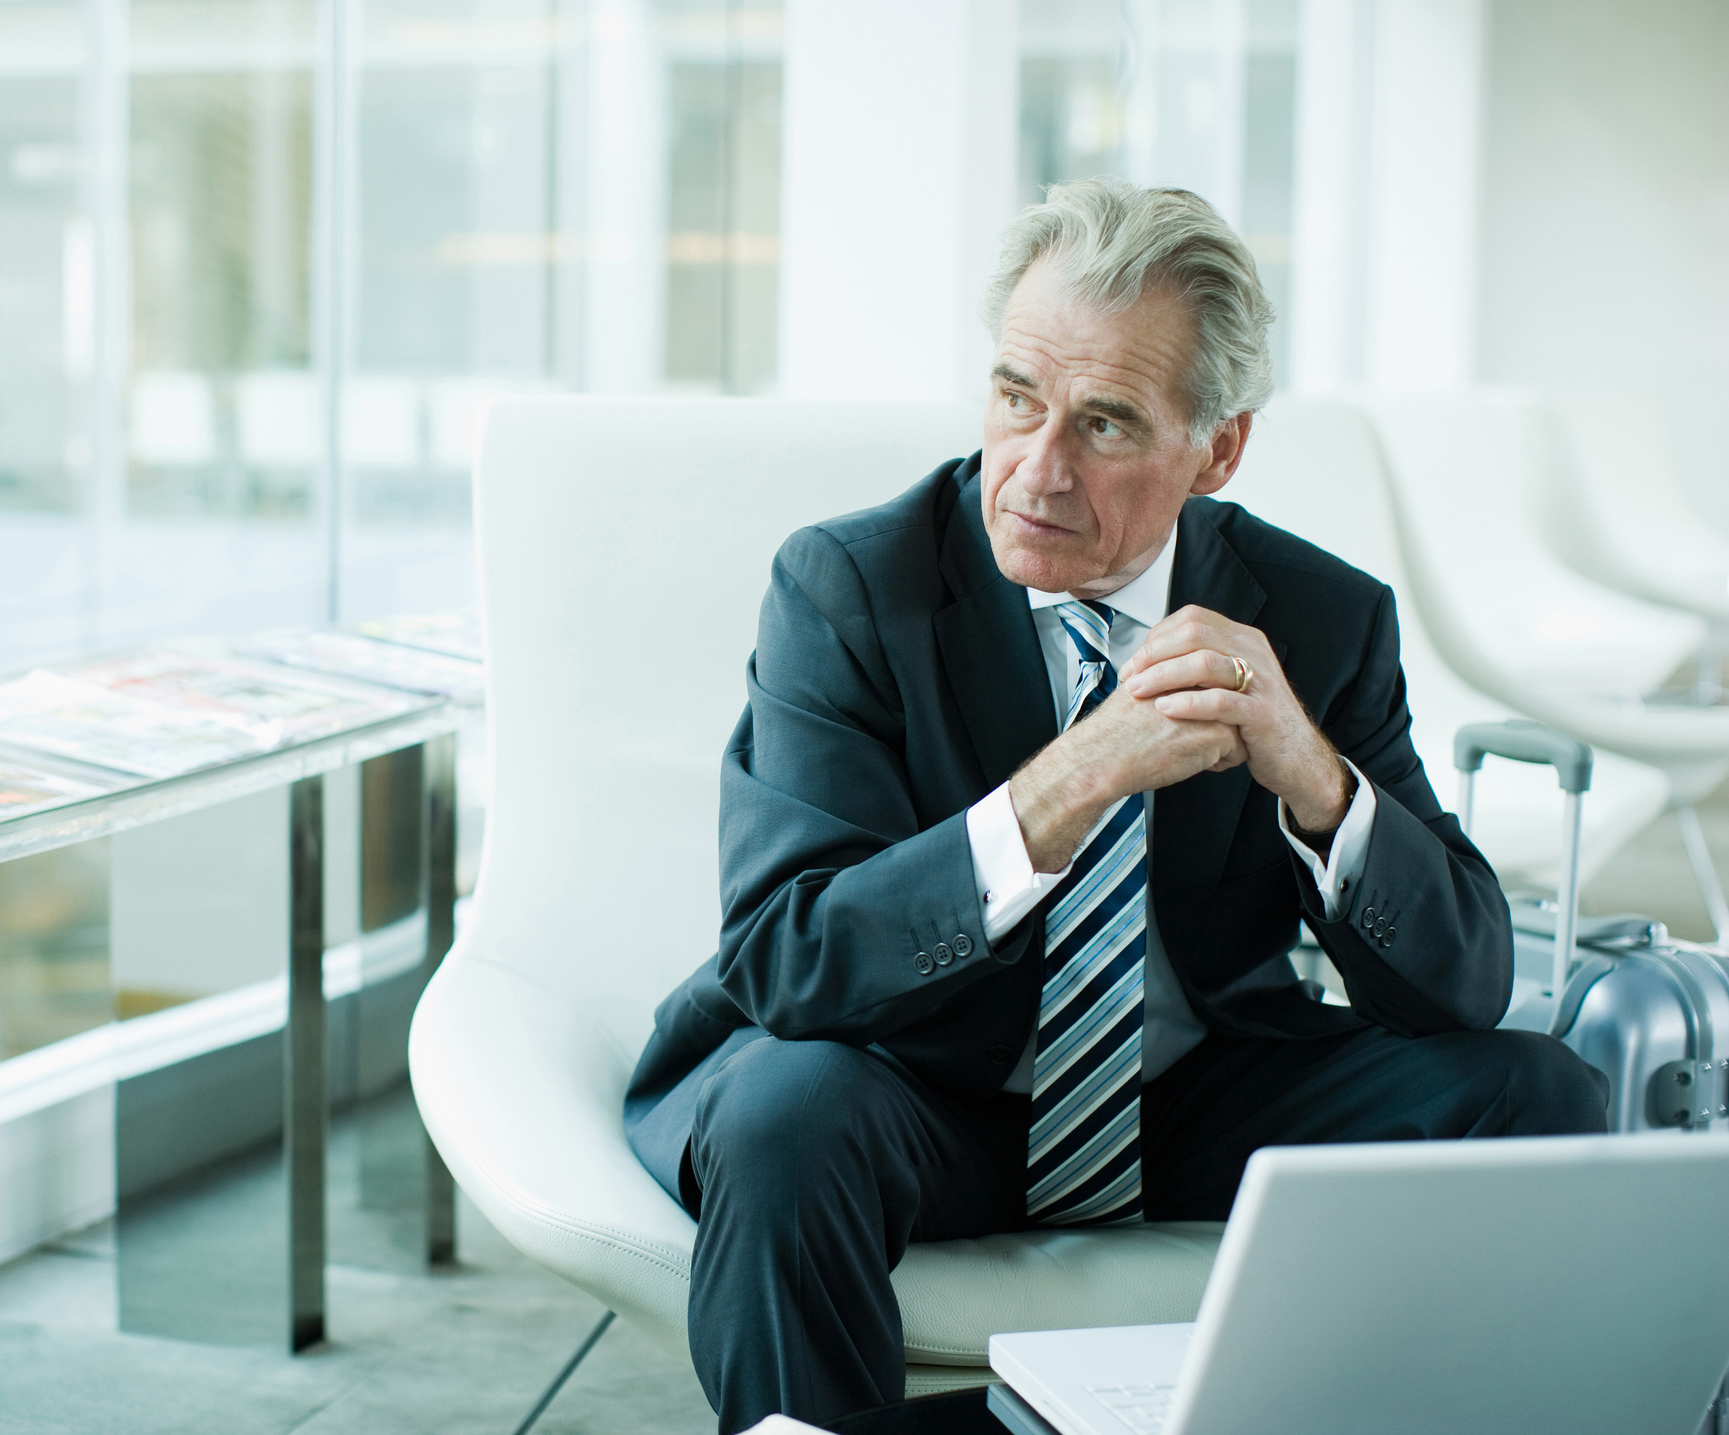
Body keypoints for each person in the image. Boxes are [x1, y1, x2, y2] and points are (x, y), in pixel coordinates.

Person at [620, 178, 1609, 1433]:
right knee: (778, 1118)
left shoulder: (1315, 615)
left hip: (1190, 1099)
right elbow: (790, 956)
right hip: (918, 1091)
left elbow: (1462, 982)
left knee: (1543, 1097)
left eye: (1103, 424)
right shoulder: (850, 587)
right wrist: (1078, 774)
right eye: (1015, 397)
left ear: (1218, 446)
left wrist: (1303, 766)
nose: (1035, 470)